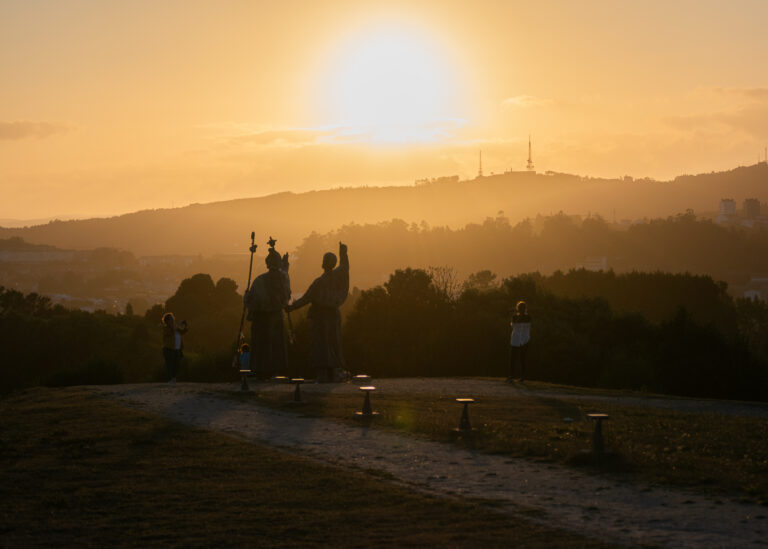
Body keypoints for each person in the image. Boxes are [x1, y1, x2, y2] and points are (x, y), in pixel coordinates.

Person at [286, 241, 349, 383]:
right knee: (332, 343)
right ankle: (333, 371)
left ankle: (327, 372)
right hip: (331, 315)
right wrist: (343, 254)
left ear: (324, 263)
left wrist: (291, 307)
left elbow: (306, 298)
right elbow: (345, 267)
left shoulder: (319, 282)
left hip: (322, 317)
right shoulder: (337, 276)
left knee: (323, 344)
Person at [245, 247, 291, 379]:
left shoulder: (260, 280)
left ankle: (261, 370)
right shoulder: (283, 278)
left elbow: (252, 302)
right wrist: (285, 264)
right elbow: (286, 294)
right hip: (277, 317)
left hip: (262, 319)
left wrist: (246, 297)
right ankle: (276, 369)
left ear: (267, 263)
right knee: (276, 344)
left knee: (262, 344)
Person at [162, 313, 188, 385]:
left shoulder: (176, 328)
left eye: (173, 318)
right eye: (171, 319)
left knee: (177, 365)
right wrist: (178, 325)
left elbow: (183, 331)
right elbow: (171, 332)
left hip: (177, 349)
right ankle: (170, 380)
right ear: (167, 321)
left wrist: (185, 325)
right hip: (169, 349)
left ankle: (173, 378)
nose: (173, 320)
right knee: (170, 365)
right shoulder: (166, 328)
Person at [508, 301, 531, 383]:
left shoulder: (515, 317)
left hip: (515, 339)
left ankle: (511, 376)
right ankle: (522, 377)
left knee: (513, 359)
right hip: (525, 340)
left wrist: (516, 315)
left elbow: (513, 326)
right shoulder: (528, 317)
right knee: (522, 359)